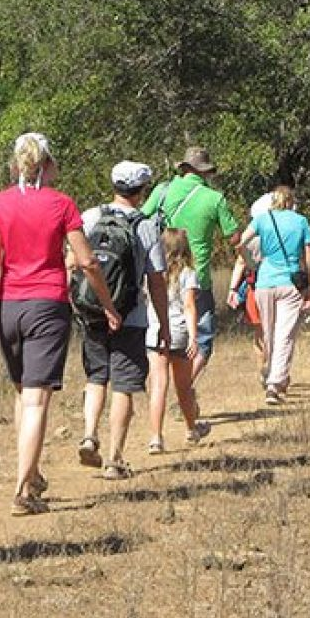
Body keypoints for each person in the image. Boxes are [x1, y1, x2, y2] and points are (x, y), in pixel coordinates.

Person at [0, 133, 121, 515]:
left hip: (8, 306)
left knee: (22, 394)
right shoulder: (61, 205)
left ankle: (32, 472)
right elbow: (88, 261)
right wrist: (107, 304)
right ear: (46, 164)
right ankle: (22, 489)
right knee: (37, 398)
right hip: (47, 304)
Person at [75, 161, 170, 480]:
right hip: (131, 315)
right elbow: (156, 279)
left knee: (96, 377)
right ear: (143, 190)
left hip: (92, 311)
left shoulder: (89, 217)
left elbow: (75, 262)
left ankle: (89, 434)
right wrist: (164, 324)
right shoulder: (146, 226)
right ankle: (115, 458)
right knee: (125, 385)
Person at [142, 147, 241, 383]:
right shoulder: (215, 198)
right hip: (197, 274)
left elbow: (140, 220)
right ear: (205, 172)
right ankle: (185, 389)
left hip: (159, 274)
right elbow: (234, 236)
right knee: (202, 339)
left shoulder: (162, 191)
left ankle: (163, 384)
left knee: (160, 332)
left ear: (184, 168)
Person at [237, 186, 310, 405]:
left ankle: (272, 373)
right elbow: (308, 257)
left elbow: (240, 242)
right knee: (285, 333)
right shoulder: (300, 222)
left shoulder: (262, 219)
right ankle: (275, 383)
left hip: (265, 280)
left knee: (268, 332)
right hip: (290, 282)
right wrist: (309, 281)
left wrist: (252, 264)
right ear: (291, 201)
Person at [146, 228, 211, 454]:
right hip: (178, 333)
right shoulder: (187, 273)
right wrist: (194, 336)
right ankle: (191, 428)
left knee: (158, 385)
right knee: (183, 387)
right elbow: (189, 306)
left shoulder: (152, 272)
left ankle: (155, 437)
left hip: (155, 331)